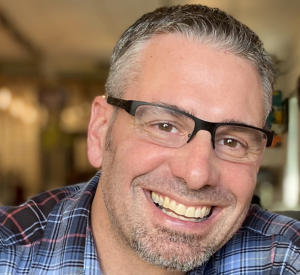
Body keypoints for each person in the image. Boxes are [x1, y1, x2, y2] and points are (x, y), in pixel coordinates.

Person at [1, 4, 300, 275]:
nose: (197, 175)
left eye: (232, 142)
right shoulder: (9, 257)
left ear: (258, 158)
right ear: (100, 130)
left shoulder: (286, 260)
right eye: (166, 126)